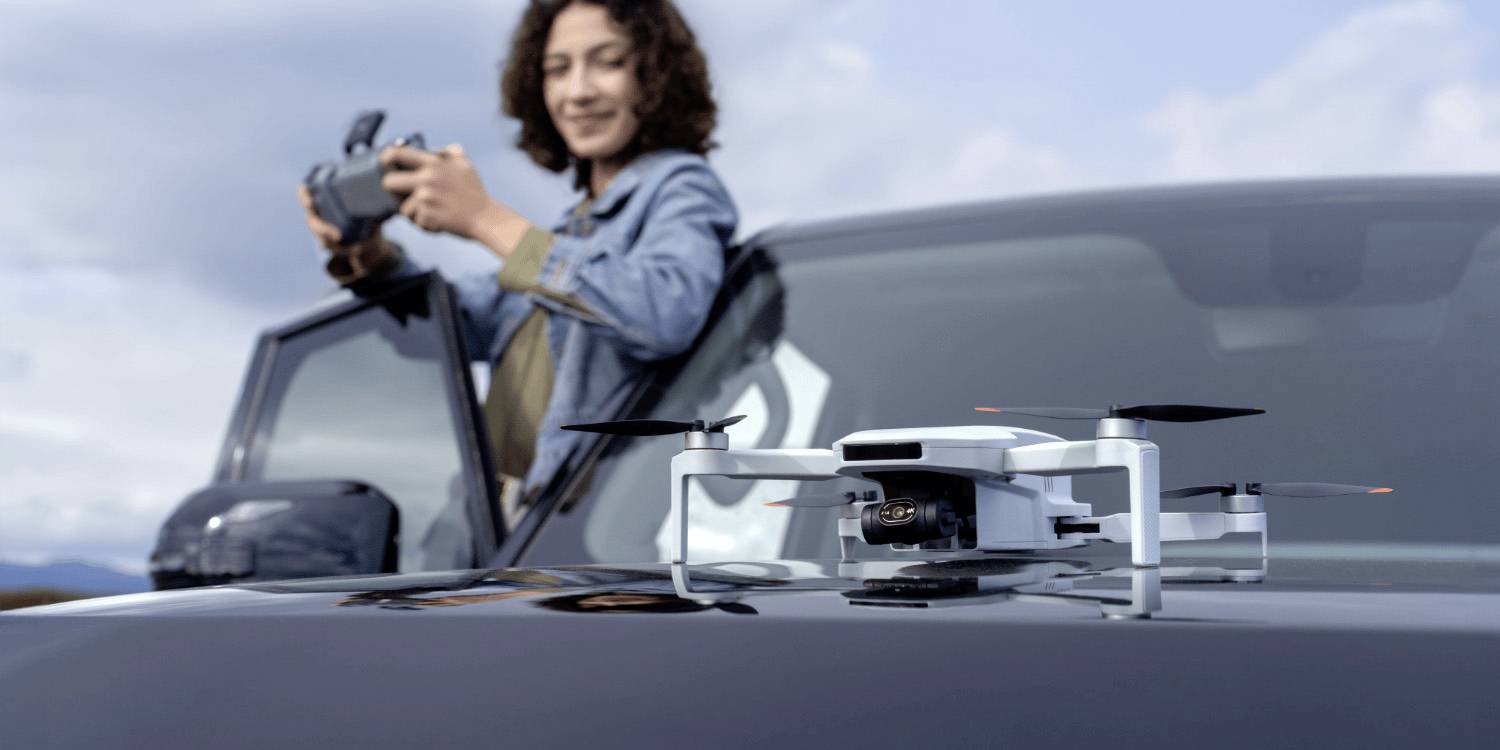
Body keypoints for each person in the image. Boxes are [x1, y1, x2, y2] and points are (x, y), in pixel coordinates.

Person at [296, 0, 737, 523]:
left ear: (658, 72)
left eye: (609, 62)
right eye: (558, 69)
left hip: (586, 543)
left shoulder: (682, 187)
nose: (579, 92)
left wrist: (483, 216)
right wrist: (369, 255)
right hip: (509, 535)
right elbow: (451, 323)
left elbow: (665, 311)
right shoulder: (573, 230)